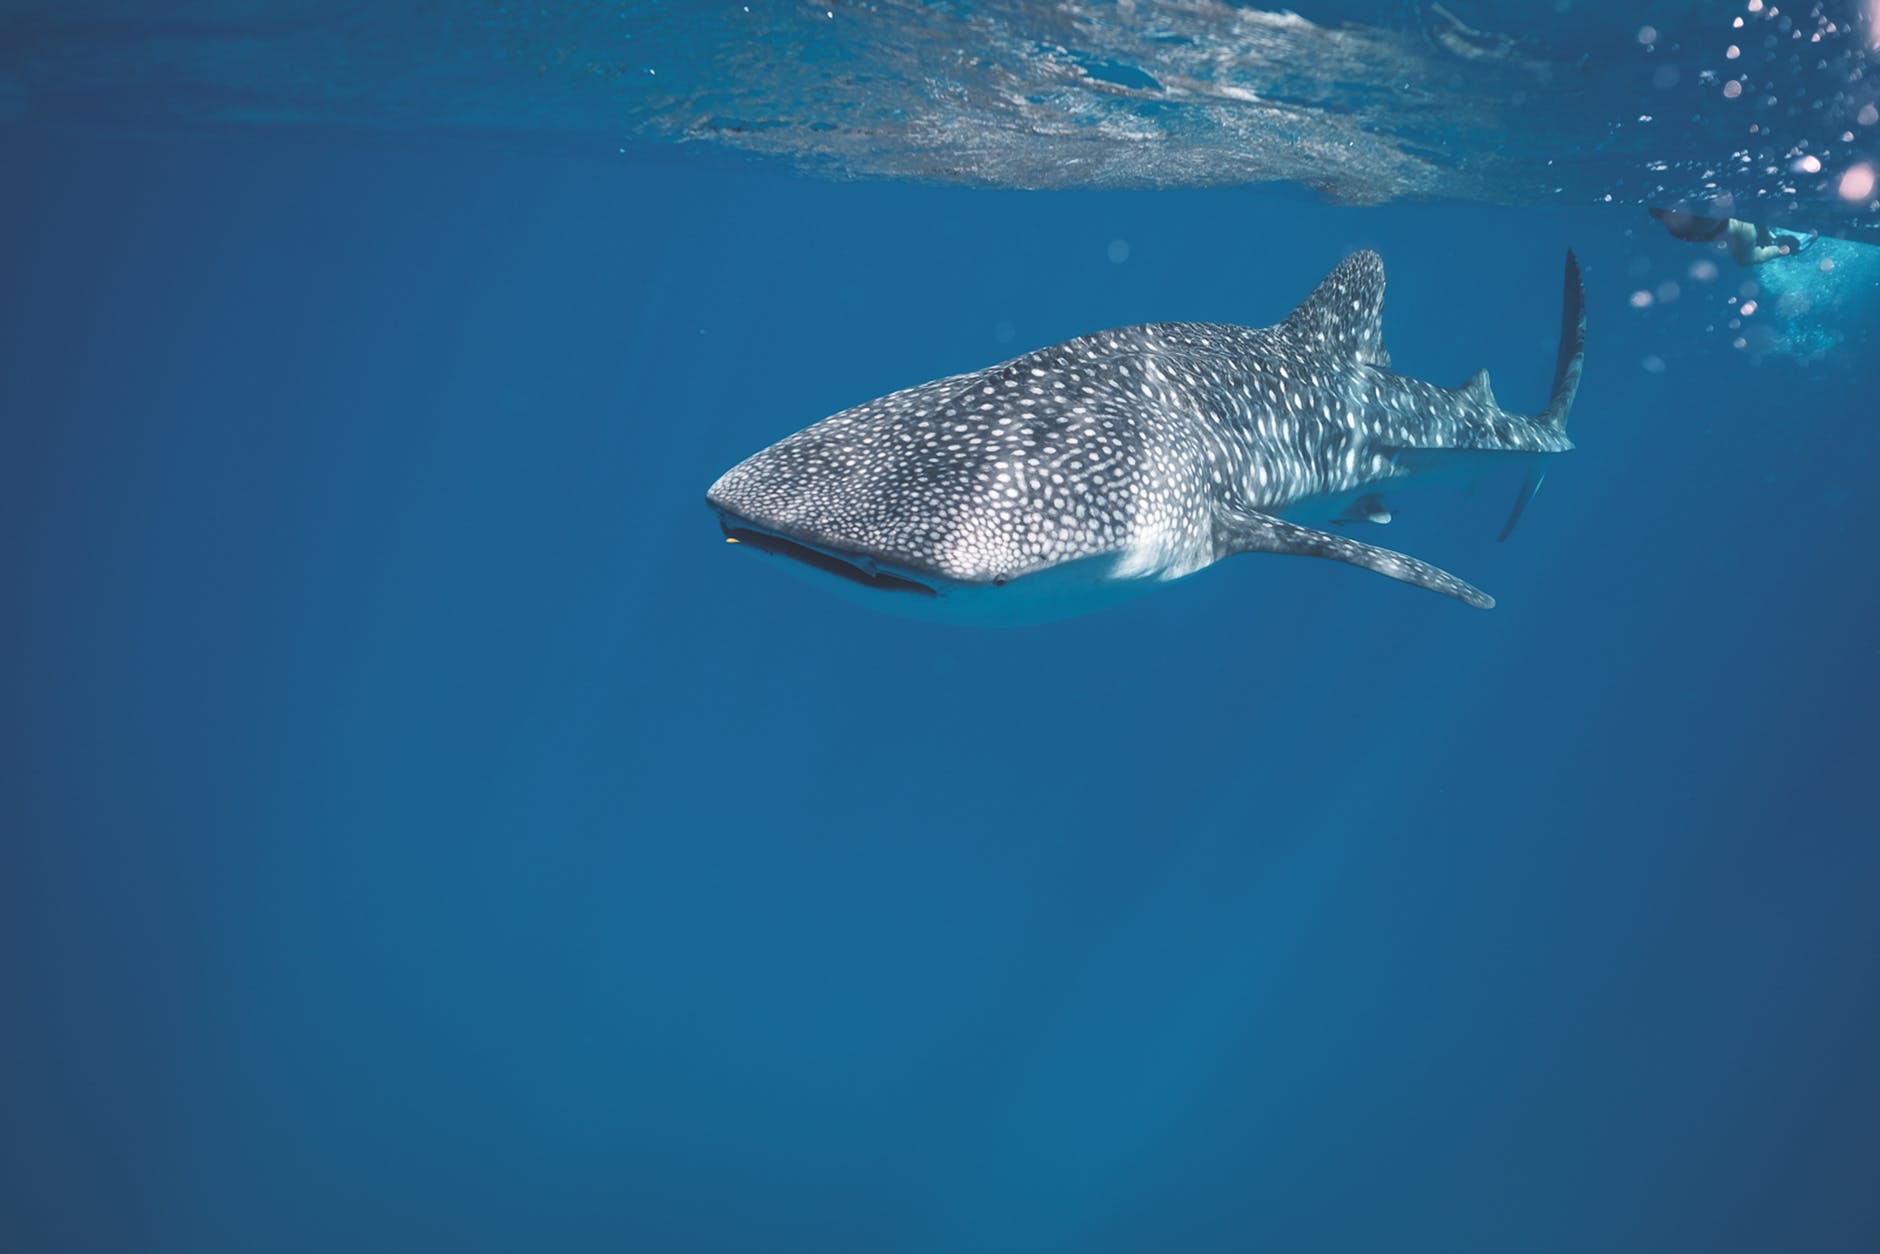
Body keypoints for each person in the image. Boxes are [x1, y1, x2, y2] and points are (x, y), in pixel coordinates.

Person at [1650, 207, 1816, 266]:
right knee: (1755, 246)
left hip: (1738, 229)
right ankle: (1775, 239)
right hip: (1738, 223)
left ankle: (1784, 248)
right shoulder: (1677, 228)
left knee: (1746, 259)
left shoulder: (1678, 229)